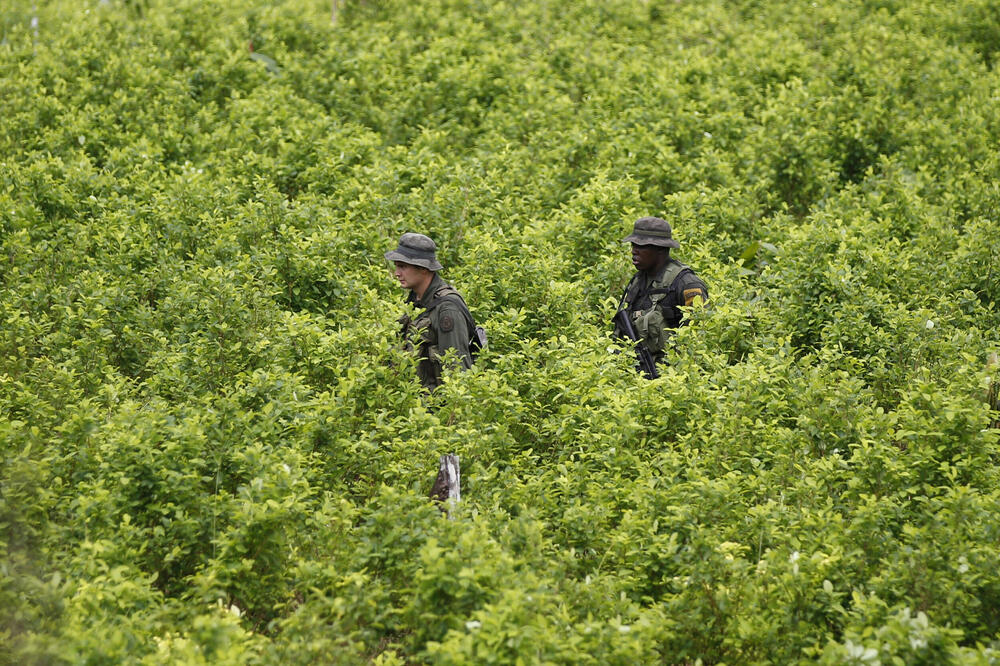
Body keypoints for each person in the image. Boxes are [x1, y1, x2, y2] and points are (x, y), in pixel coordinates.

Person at [613, 216, 708, 370]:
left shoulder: (686, 284)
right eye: (633, 244)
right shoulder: (637, 281)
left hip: (672, 375)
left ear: (660, 248)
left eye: (641, 246)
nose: (633, 251)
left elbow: (700, 336)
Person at [386, 233, 477, 391]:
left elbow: (457, 371)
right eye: (396, 266)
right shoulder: (415, 300)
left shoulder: (448, 309)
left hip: (435, 409)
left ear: (423, 268)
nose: (397, 273)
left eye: (403, 266)